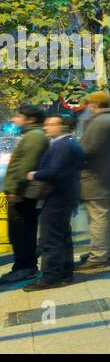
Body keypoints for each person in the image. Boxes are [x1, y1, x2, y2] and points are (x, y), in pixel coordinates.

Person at [26, 114, 84, 291]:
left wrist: (34, 174)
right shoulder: (69, 143)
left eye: (51, 124)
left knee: (51, 238)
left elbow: (54, 171)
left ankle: (50, 277)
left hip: (56, 197)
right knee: (62, 236)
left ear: (63, 126)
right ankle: (65, 272)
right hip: (64, 196)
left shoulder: (62, 145)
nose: (46, 127)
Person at [77, 90, 110, 269]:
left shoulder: (98, 122)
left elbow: (86, 149)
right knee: (109, 216)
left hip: (93, 177)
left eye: (88, 104)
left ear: (94, 105)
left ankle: (98, 256)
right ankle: (108, 253)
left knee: (97, 217)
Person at [0, 106, 49, 284]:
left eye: (19, 116)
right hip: (21, 192)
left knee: (21, 232)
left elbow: (26, 166)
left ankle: (25, 268)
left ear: (30, 119)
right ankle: (24, 266)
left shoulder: (35, 137)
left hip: (23, 194)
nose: (15, 119)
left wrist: (16, 190)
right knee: (20, 232)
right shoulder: (31, 136)